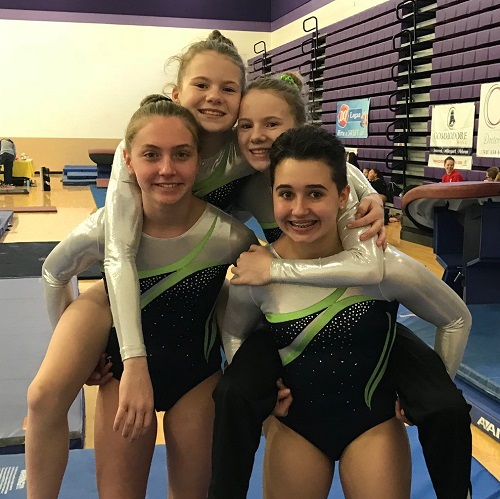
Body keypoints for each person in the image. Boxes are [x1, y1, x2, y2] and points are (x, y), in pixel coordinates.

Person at [102, 35, 386, 440]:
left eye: (228, 88)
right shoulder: (140, 150)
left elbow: (320, 155)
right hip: (138, 280)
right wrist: (130, 358)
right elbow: (115, 255)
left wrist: (370, 192)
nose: (214, 97)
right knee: (46, 393)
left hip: (210, 277)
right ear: (176, 92)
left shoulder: (245, 152)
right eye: (202, 85)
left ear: (239, 99)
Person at [209, 75, 473, 499]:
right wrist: (263, 397)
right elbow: (235, 333)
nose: (299, 210)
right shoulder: (256, 273)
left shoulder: (383, 266)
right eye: (286, 194)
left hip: (373, 426)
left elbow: (457, 317)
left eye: (316, 194)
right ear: (271, 194)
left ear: (343, 194)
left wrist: (427, 391)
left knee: (447, 408)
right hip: (295, 425)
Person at [26, 96, 259, 499]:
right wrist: (84, 352)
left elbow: (262, 292)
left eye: (181, 154)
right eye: (151, 155)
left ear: (198, 161)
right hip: (123, 374)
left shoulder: (230, 236)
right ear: (129, 162)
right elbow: (53, 271)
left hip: (194, 375)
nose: (167, 169)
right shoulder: (106, 227)